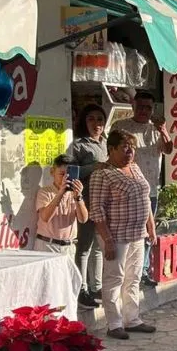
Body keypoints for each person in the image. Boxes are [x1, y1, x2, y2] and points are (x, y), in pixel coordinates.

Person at [88, 130, 156, 340]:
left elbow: (145, 198)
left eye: (132, 148)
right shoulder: (102, 174)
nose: (130, 152)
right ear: (112, 149)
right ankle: (114, 323)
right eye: (125, 147)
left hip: (138, 234)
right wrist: (107, 239)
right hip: (116, 235)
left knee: (133, 277)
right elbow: (96, 209)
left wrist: (151, 227)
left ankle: (132, 319)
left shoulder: (135, 168)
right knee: (114, 278)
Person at [110, 91, 171, 287]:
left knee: (148, 233)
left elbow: (169, 149)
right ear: (133, 106)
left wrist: (163, 130)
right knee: (125, 233)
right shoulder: (120, 126)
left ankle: (143, 271)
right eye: (141, 106)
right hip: (123, 189)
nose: (144, 110)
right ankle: (123, 272)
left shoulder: (156, 129)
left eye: (148, 107)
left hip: (150, 189)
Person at [69, 104, 108, 308]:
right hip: (86, 201)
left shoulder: (107, 143)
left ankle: (96, 287)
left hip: (105, 201)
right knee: (84, 246)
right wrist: (94, 166)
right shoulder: (78, 145)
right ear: (84, 121)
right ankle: (81, 289)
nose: (96, 123)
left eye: (100, 119)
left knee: (98, 246)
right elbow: (70, 173)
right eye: (91, 119)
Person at [34, 155, 89, 255]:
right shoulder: (45, 192)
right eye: (62, 174)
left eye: (69, 175)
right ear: (52, 172)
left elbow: (83, 219)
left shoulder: (74, 194)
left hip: (68, 247)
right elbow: (45, 217)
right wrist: (60, 193)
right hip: (47, 245)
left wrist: (78, 197)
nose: (65, 178)